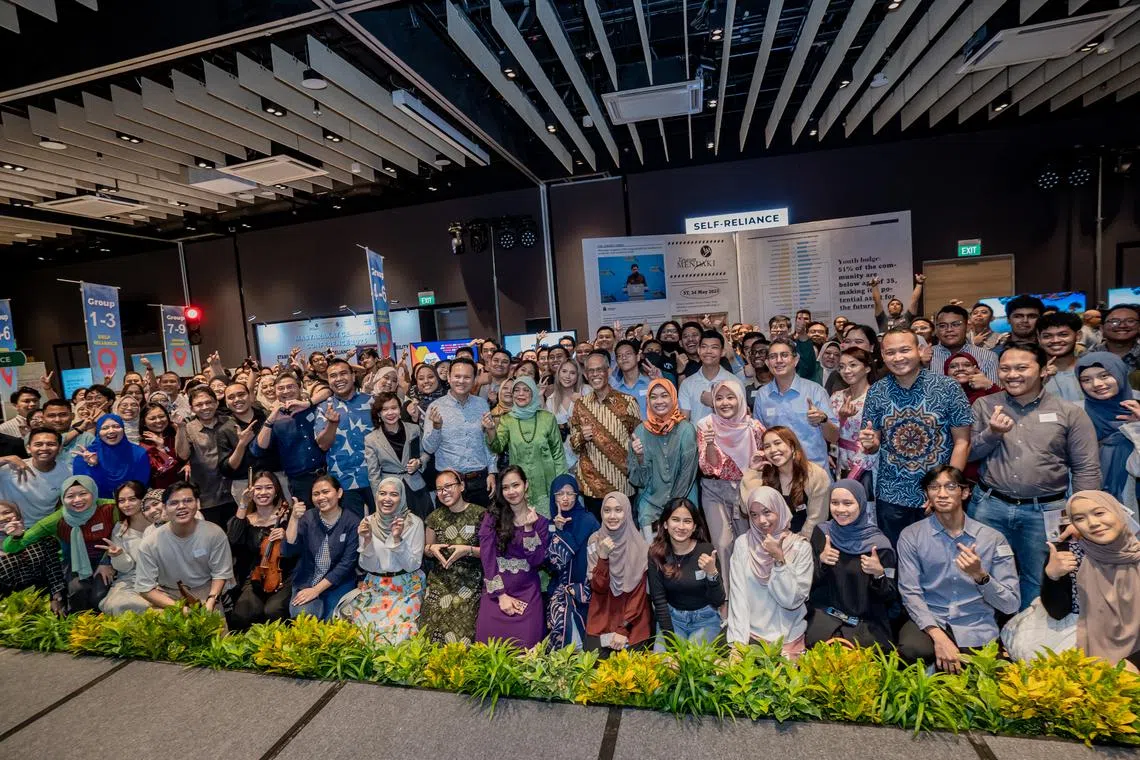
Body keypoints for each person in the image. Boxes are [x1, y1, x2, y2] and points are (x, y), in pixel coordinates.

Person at [967, 341, 1101, 606]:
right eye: (1005, 368)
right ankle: (988, 636)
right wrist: (992, 433)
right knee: (980, 571)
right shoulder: (985, 405)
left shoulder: (1069, 412)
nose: (1012, 374)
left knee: (1038, 576)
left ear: (1042, 370)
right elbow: (968, 454)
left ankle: (1027, 637)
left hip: (1046, 511)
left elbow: (1086, 468)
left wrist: (1081, 517)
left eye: (1021, 367)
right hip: (989, 506)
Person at [896, 466, 1020, 671]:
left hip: (976, 623)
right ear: (927, 494)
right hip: (930, 618)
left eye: (950, 486)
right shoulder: (912, 536)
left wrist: (980, 576)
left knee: (988, 677)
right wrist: (939, 637)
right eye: (934, 487)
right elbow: (910, 592)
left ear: (965, 492)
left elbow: (1010, 605)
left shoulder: (992, 539)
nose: (942, 494)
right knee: (912, 650)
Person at [861, 329, 973, 546]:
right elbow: (873, 443)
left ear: (920, 350)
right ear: (883, 356)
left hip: (937, 491)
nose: (898, 358)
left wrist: (948, 488)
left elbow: (963, 442)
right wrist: (870, 443)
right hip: (891, 492)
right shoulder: (876, 391)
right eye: (890, 352)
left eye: (904, 350)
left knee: (942, 558)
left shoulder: (947, 387)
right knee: (896, 556)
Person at [1040, 491, 1140, 671]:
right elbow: (1057, 612)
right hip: (1084, 655)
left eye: (1100, 513)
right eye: (1079, 518)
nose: (1093, 523)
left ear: (1118, 512)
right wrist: (1053, 577)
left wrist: (1133, 663)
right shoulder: (1067, 555)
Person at [3, 475, 116, 612]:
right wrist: (16, 536)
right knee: (78, 591)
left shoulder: (110, 508)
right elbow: (13, 547)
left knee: (99, 596)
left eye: (83, 494)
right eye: (70, 496)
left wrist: (107, 561)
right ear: (63, 498)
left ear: (93, 492)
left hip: (106, 558)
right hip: (74, 562)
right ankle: (78, 628)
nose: (77, 500)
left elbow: (125, 530)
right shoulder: (57, 519)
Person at [806, 480, 897, 648]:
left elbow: (890, 597)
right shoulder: (823, 533)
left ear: (861, 504)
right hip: (825, 617)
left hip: (865, 624)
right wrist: (820, 562)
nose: (840, 509)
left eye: (848, 503)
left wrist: (879, 574)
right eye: (834, 503)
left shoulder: (878, 545)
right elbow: (807, 585)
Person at [337, 476, 426, 644]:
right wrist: (368, 541)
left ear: (402, 497)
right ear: (376, 496)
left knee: (397, 637)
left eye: (394, 494)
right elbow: (366, 565)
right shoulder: (367, 522)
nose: (387, 499)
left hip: (406, 587)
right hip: (375, 587)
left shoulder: (414, 523)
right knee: (361, 636)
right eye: (383, 493)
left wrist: (397, 539)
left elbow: (412, 565)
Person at [726, 486, 813, 656]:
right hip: (751, 637)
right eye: (754, 515)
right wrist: (739, 644)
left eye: (767, 512)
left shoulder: (801, 547)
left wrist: (779, 560)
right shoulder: (743, 544)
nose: (762, 520)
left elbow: (791, 601)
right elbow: (738, 596)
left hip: (788, 640)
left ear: (780, 509)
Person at [475, 465, 549, 648]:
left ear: (526, 485)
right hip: (496, 596)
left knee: (526, 657)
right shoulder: (492, 518)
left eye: (515, 485)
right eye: (505, 487)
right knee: (489, 657)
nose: (511, 491)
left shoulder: (541, 522)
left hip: (527, 596)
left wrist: (529, 530)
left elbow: (538, 561)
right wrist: (501, 595)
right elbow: (487, 558)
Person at [134, 481, 234, 613]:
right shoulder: (150, 543)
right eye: (174, 503)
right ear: (164, 508)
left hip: (206, 591)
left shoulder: (215, 533)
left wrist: (211, 599)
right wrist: (180, 608)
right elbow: (145, 588)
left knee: (213, 629)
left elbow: (220, 573)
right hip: (167, 595)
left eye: (188, 500)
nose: (181, 506)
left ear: (197, 503)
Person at [569, 351, 640, 518]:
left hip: (622, 483)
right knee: (597, 539)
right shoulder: (580, 405)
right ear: (586, 375)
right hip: (592, 486)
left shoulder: (628, 402)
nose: (595, 374)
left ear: (608, 371)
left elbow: (639, 439)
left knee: (624, 535)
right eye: (591, 371)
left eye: (599, 370)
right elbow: (573, 444)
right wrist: (581, 437)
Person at [647, 498, 725, 648]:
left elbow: (718, 601)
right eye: (675, 520)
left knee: (694, 665)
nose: (681, 526)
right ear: (665, 523)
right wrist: (672, 647)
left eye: (687, 521)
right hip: (672, 620)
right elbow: (659, 600)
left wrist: (712, 574)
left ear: (695, 526)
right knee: (664, 666)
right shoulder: (656, 553)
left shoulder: (706, 550)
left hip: (706, 620)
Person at [420, 469, 486, 645]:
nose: (444, 492)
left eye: (448, 486)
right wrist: (430, 548)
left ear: (462, 486)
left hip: (470, 583)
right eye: (439, 489)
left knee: (462, 636)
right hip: (440, 582)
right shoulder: (434, 518)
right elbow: (426, 549)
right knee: (429, 633)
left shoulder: (481, 514)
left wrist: (468, 550)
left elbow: (491, 552)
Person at [421, 358, 498, 507]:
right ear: (449, 377)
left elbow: (487, 441)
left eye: (467, 377)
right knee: (448, 530)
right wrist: (437, 427)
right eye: (457, 376)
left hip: (479, 480)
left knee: (482, 528)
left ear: (475, 379)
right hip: (448, 484)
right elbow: (428, 448)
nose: (461, 381)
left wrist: (492, 471)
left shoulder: (481, 404)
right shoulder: (435, 407)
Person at [752, 337, 837, 470]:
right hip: (779, 473)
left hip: (813, 471)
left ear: (796, 360)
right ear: (768, 363)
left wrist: (823, 420)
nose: (779, 360)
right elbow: (759, 438)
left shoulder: (815, 391)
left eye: (784, 355)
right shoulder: (762, 396)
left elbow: (834, 436)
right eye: (773, 357)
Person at [484, 376, 565, 515]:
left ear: (533, 393)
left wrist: (560, 485)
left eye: (526, 390)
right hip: (518, 487)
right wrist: (491, 431)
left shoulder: (547, 418)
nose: (520, 394)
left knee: (546, 528)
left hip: (546, 484)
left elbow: (558, 454)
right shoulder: (507, 419)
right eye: (516, 390)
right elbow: (497, 447)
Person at [628, 378, 698, 538]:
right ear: (648, 401)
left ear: (673, 398)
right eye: (653, 397)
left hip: (682, 503)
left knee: (681, 557)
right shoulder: (640, 432)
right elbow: (638, 481)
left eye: (664, 395)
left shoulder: (686, 430)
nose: (659, 401)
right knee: (653, 557)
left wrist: (671, 509)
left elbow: (687, 475)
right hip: (651, 505)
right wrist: (639, 458)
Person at [283, 474, 360, 621]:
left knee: (333, 621)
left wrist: (316, 590)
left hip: (338, 583)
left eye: (326, 492)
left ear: (339, 493)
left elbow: (346, 564)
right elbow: (287, 551)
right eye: (316, 494)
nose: (321, 497)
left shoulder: (352, 522)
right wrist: (293, 519)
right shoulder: (307, 518)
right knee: (304, 617)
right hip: (308, 580)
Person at [226, 471, 296, 630]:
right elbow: (232, 541)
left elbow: (296, 549)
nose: (263, 492)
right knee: (243, 615)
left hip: (284, 576)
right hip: (255, 577)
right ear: (252, 492)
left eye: (268, 487)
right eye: (258, 489)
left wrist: (286, 535)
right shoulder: (246, 519)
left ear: (276, 490)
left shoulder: (288, 517)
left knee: (273, 611)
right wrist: (243, 504)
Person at [585, 491, 652, 655]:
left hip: (633, 622)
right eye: (607, 510)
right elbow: (598, 587)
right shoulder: (595, 540)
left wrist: (623, 629)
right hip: (602, 617)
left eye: (618, 510)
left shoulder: (640, 546)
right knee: (593, 673)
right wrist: (603, 557)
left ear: (627, 512)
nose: (612, 516)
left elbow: (639, 595)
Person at [1076, 352, 1138, 505]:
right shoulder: (1076, 413)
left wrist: (1137, 426)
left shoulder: (1137, 408)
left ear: (1120, 374)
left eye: (1104, 376)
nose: (1096, 384)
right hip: (1092, 499)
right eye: (1086, 380)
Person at [314, 359, 375, 516]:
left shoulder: (371, 402)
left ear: (353, 376)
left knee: (383, 528)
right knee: (351, 531)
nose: (339, 379)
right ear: (328, 380)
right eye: (333, 376)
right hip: (343, 481)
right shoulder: (323, 408)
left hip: (374, 477)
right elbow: (323, 445)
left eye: (343, 374)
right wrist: (332, 424)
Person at [546, 474, 600, 649]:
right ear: (553, 497)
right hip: (560, 592)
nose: (565, 498)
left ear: (577, 496)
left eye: (570, 493)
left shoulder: (589, 521)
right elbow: (553, 564)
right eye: (560, 494)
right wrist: (559, 531)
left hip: (585, 590)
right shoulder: (550, 525)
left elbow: (598, 557)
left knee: (587, 646)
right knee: (565, 647)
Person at [747, 426, 830, 538]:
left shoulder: (816, 475)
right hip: (770, 540)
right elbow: (747, 508)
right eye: (767, 446)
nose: (773, 450)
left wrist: (797, 545)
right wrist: (753, 472)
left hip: (806, 542)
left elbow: (816, 519)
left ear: (792, 446)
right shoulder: (763, 475)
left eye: (777, 443)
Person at [364, 392, 432, 521]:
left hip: (416, 486)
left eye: (394, 408)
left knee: (423, 526)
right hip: (391, 491)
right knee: (396, 531)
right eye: (385, 409)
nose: (390, 413)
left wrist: (419, 462)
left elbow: (426, 453)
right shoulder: (371, 439)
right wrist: (379, 500)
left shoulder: (414, 429)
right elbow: (373, 474)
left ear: (400, 410)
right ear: (379, 413)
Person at [176, 387, 239, 525]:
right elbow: (183, 454)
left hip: (235, 492)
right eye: (199, 405)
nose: (205, 407)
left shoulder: (230, 422)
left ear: (216, 403)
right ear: (192, 408)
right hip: (207, 497)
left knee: (238, 538)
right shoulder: (188, 428)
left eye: (209, 402)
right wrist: (180, 428)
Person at [98, 481, 154, 615]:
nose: (126, 504)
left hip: (163, 578)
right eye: (121, 501)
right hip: (132, 579)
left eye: (132, 499)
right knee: (120, 605)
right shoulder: (120, 529)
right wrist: (119, 556)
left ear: (143, 499)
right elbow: (125, 568)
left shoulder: (160, 523)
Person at [0, 500, 66, 613]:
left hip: (46, 598)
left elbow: (53, 569)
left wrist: (57, 597)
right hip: (10, 607)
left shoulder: (38, 537)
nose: (2, 518)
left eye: (7, 512)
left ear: (18, 515)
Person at [0, 427, 70, 525]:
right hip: (7, 527)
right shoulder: (10, 467)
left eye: (51, 444)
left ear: (60, 448)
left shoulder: (67, 472)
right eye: (38, 444)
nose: (44, 448)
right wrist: (5, 459)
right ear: (28, 448)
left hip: (43, 528)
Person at [72, 413, 151, 499]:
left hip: (130, 503)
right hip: (98, 505)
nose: (111, 431)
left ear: (123, 429)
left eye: (116, 426)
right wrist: (94, 466)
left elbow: (140, 485)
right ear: (98, 432)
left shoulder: (138, 453)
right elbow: (84, 489)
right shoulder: (84, 457)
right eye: (105, 428)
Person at [830, 348, 877, 484]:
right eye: (842, 367)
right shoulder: (836, 397)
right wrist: (841, 418)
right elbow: (830, 433)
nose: (846, 370)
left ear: (867, 368)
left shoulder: (876, 397)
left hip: (867, 460)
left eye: (853, 365)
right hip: (840, 458)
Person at [678, 330, 738, 424]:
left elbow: (739, 418)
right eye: (704, 347)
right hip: (696, 437)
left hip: (727, 437)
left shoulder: (734, 382)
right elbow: (684, 422)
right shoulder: (687, 384)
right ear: (698, 350)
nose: (708, 351)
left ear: (722, 352)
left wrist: (714, 403)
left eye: (714, 347)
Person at [931, 304, 999, 382]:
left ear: (967, 327)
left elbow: (997, 392)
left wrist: (987, 386)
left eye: (956, 324)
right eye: (942, 326)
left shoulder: (988, 357)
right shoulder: (927, 357)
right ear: (936, 329)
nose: (949, 329)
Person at [1035, 311, 1084, 403]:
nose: (1055, 340)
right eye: (1047, 336)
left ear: (1078, 336)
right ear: (1039, 339)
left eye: (1063, 335)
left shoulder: (1090, 368)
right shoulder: (1033, 373)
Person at [545, 358, 583, 472]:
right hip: (561, 461)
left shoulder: (586, 394)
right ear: (558, 373)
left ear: (577, 376)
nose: (567, 376)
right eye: (564, 371)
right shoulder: (550, 401)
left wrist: (582, 403)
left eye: (572, 373)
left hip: (584, 457)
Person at [138, 402, 186, 490]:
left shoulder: (173, 435)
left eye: (161, 416)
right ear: (144, 422)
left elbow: (185, 456)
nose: (158, 421)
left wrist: (188, 464)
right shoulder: (144, 445)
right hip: (162, 490)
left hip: (183, 487)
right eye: (152, 418)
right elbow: (163, 470)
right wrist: (161, 449)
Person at [1092, 304, 1140, 381]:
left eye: (1130, 321)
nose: (1122, 325)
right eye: (1114, 321)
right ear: (1102, 328)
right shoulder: (1088, 357)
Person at [610, 339, 651, 417]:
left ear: (638, 357)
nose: (624, 358)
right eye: (619, 356)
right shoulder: (614, 391)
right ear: (617, 362)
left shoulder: (651, 384)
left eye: (628, 354)